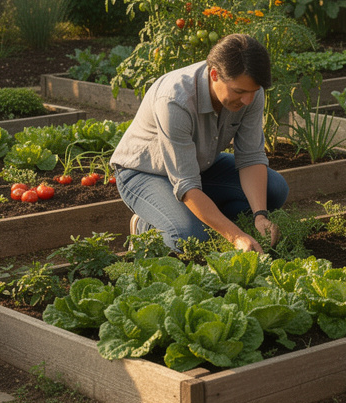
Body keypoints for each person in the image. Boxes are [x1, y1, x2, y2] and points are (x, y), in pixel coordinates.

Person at [111, 34, 289, 252]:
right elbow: (186, 183)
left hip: (200, 167)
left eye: (253, 92)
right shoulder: (175, 100)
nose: (247, 101)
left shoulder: (251, 93)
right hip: (144, 173)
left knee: (275, 189)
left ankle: (201, 216)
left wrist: (260, 216)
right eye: (239, 91)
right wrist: (234, 236)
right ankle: (145, 226)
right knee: (189, 237)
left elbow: (251, 157)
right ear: (214, 74)